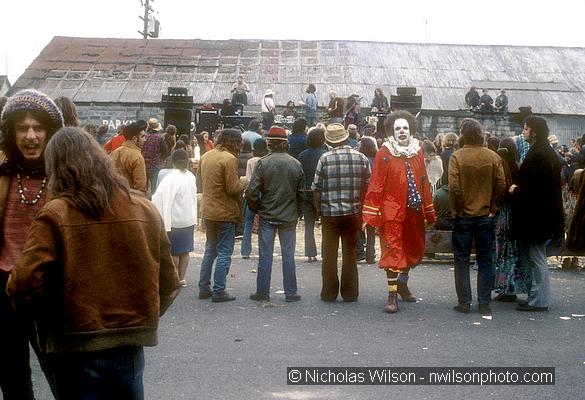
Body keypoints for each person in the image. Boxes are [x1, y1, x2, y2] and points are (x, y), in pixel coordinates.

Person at [7, 127, 179, 399]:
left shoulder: (55, 214)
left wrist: (47, 324)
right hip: (129, 345)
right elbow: (169, 282)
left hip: (72, 345)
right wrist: (140, 319)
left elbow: (23, 284)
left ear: (56, 168)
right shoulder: (144, 208)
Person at [0, 88, 64, 400]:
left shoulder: (66, 178)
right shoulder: (2, 173)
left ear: (50, 132)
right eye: (22, 128)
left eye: (38, 128)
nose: (30, 136)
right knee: (12, 378)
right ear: (10, 133)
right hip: (3, 288)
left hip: (48, 288)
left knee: (63, 376)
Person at [362, 111, 435, 313]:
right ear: (392, 132)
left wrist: (429, 210)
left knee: (412, 249)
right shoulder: (385, 152)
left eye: (405, 128)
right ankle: (392, 296)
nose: (401, 131)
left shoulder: (417, 151)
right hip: (391, 211)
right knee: (393, 250)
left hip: (414, 209)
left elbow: (424, 181)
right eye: (397, 128)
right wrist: (371, 212)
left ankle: (402, 284)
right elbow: (376, 182)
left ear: (410, 130)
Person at [448, 118, 506, 315]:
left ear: (463, 134)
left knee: (461, 259)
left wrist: (457, 210)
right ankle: (484, 302)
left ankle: (464, 302)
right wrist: (494, 207)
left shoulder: (457, 157)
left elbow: (454, 188)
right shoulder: (493, 157)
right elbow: (501, 185)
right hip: (485, 214)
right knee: (485, 259)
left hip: (463, 215)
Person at [510, 116, 564, 312]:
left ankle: (539, 300)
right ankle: (537, 297)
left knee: (537, 257)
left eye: (526, 129)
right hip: (542, 215)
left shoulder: (539, 154)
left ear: (534, 131)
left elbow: (536, 189)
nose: (523, 132)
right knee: (537, 256)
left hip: (536, 216)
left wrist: (516, 190)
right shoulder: (545, 151)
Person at [246, 126, 305, 302]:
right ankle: (291, 292)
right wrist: (297, 212)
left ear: (269, 143)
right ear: (285, 144)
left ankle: (263, 292)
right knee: (288, 255)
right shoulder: (295, 164)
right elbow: (301, 193)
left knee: (265, 254)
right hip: (288, 216)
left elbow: (252, 192)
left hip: (267, 215)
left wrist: (257, 208)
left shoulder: (263, 163)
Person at [313, 123, 370, 303]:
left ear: (329, 141)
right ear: (346, 138)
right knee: (350, 254)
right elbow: (368, 187)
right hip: (353, 213)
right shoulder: (361, 158)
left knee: (329, 255)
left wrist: (319, 209)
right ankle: (350, 293)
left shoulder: (324, 159)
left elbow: (316, 188)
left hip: (329, 214)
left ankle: (329, 293)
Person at [198, 128, 247, 302]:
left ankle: (204, 287)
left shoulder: (206, 156)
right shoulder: (230, 159)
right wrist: (244, 181)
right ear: (234, 142)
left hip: (208, 210)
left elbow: (200, 183)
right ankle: (219, 290)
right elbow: (233, 188)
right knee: (225, 251)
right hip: (225, 212)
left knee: (210, 250)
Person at [152, 149, 197, 288]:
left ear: (173, 161)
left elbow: (159, 198)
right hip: (188, 218)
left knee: (174, 252)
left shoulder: (170, 178)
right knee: (185, 250)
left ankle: (174, 278)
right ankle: (181, 278)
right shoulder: (191, 176)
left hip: (174, 220)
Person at [492, 137, 529, 302]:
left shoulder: (499, 166)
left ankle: (503, 287)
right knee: (513, 252)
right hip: (515, 213)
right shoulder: (518, 167)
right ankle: (513, 286)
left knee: (502, 252)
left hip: (501, 214)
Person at [299, 127, 327, 263]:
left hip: (306, 191)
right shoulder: (325, 154)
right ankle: (326, 251)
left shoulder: (303, 155)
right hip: (322, 192)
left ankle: (310, 252)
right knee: (326, 224)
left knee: (308, 225)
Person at [241, 138, 268, 259]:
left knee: (248, 222)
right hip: (264, 193)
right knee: (263, 223)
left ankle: (245, 251)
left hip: (252, 193)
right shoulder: (266, 160)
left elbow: (248, 179)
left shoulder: (251, 161)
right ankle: (263, 249)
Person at [356, 136, 378, 264]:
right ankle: (371, 254)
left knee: (359, 225)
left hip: (360, 194)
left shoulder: (360, 160)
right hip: (373, 197)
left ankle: (359, 251)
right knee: (371, 227)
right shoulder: (377, 160)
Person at [110, 120, 148, 194]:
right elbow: (140, 188)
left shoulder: (115, 152)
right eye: (142, 136)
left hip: (114, 197)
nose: (145, 139)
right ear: (134, 139)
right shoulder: (138, 157)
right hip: (130, 200)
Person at [142, 117, 168, 195]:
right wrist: (161, 159)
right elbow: (165, 151)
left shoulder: (143, 137)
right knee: (154, 189)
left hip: (144, 164)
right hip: (155, 165)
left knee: (144, 187)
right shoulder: (159, 138)